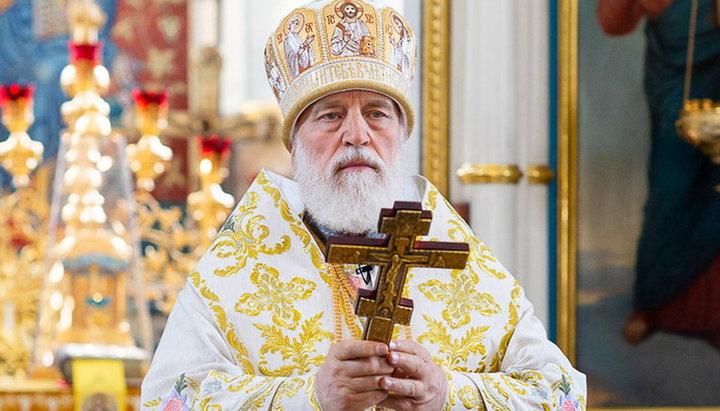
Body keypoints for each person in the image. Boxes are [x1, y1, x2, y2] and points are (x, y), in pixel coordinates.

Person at [141, 0, 586, 409]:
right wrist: (310, 397)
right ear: (294, 146)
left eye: (377, 113)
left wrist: (447, 394)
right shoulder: (233, 273)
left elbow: (561, 393)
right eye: (330, 115)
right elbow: (166, 400)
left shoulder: (465, 264)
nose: (357, 135)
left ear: (400, 138)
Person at [597, 0, 720, 347]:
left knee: (716, 192)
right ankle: (653, 303)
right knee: (673, 187)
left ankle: (713, 314)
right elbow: (613, 22)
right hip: (677, 88)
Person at [283, 12, 316, 78]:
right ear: (289, 25)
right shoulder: (287, 40)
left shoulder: (297, 37)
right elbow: (290, 55)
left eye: (297, 24)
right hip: (297, 65)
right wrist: (298, 54)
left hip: (303, 60)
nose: (295, 25)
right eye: (293, 23)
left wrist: (307, 45)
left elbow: (301, 47)